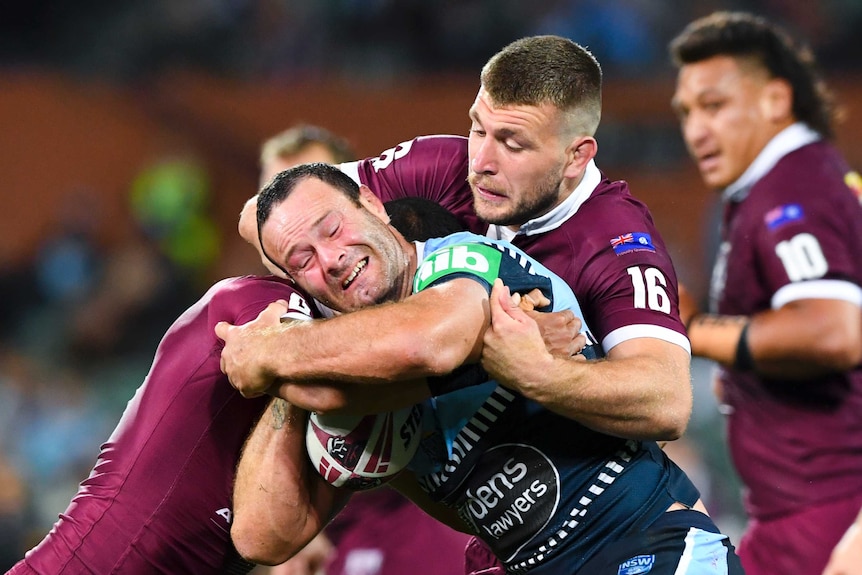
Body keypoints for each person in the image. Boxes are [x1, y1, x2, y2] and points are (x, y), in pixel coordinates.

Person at [235, 35, 704, 572]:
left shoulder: (616, 243)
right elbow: (263, 214)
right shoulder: (441, 166)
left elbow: (665, 401)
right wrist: (335, 321)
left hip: (615, 529)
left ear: (576, 156)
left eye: (513, 143)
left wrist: (534, 371)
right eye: (478, 127)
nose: (480, 160)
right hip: (499, 539)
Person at [218, 162, 744, 574]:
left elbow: (429, 343)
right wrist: (289, 387)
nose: (329, 259)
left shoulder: (465, 261)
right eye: (302, 261)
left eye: (332, 229)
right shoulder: (335, 369)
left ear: (374, 205)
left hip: (644, 545)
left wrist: (266, 354)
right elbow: (263, 537)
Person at [668, 11, 862, 575]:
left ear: (776, 100)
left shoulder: (792, 191)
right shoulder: (785, 184)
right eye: (686, 112)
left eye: (714, 105)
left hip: (830, 510)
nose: (695, 129)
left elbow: (834, 330)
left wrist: (699, 331)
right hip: (796, 511)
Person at [258, 124, 472, 575]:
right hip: (335, 535)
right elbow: (261, 533)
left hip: (432, 528)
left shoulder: (433, 264)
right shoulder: (270, 320)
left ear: (365, 201)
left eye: (324, 220)